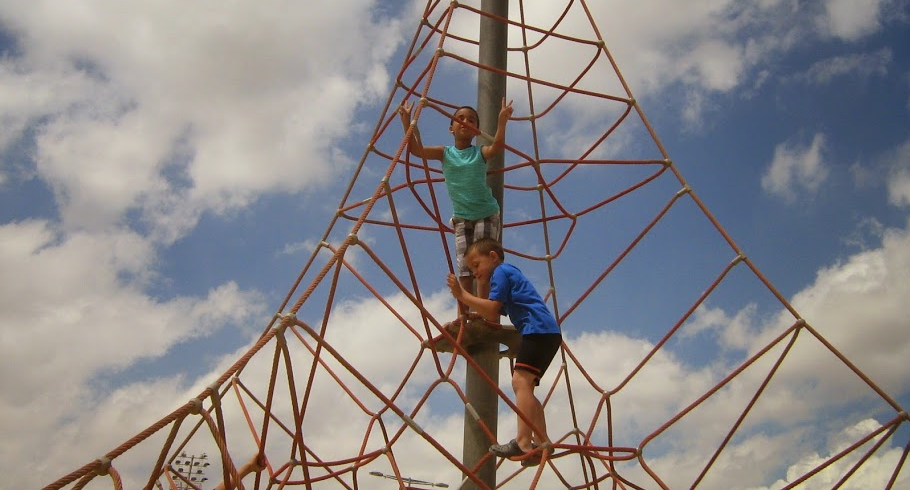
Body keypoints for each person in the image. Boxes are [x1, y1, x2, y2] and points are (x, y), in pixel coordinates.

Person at [445, 237, 562, 467]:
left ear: (493, 256)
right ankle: (542, 442)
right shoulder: (506, 274)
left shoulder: (501, 272)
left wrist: (462, 295)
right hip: (545, 333)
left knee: (520, 382)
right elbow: (490, 312)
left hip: (536, 330)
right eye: (471, 269)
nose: (475, 273)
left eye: (477, 265)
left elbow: (492, 309)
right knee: (525, 385)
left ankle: (523, 441)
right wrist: (479, 309)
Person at [399, 98, 513, 307]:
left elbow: (496, 148)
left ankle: (482, 309)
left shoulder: (479, 152)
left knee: (484, 265)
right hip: (461, 218)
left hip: (486, 213)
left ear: (476, 130)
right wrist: (407, 122)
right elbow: (417, 151)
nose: (464, 122)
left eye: (470, 120)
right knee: (465, 268)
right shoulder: (445, 153)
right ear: (451, 128)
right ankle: (464, 315)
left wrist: (502, 122)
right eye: (459, 119)